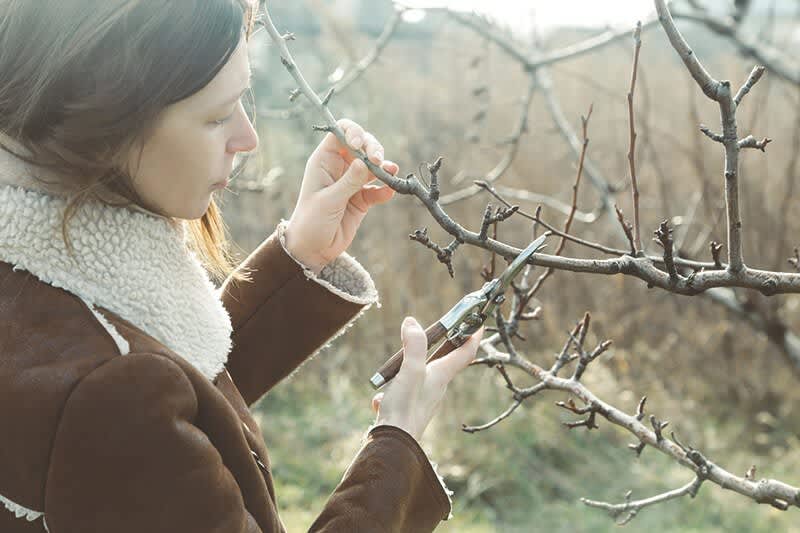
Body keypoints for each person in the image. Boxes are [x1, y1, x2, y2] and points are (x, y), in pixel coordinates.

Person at [0, 1, 484, 532]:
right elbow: (136, 407)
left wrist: (300, 257)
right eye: (215, 116)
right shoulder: (112, 391)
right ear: (105, 119)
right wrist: (399, 442)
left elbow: (174, 416)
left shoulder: (41, 287)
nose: (247, 137)